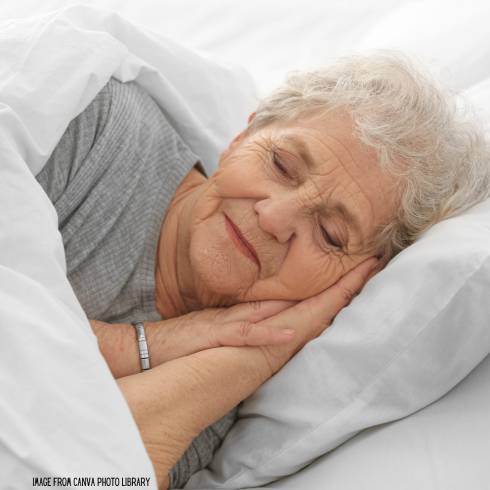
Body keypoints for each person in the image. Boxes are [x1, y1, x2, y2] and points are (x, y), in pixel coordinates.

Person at [36, 52, 490, 489]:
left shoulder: (225, 394)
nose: (274, 218)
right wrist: (150, 345)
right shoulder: (91, 128)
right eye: (281, 165)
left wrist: (262, 352)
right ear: (243, 136)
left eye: (330, 233)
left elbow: (77, 474)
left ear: (355, 283)